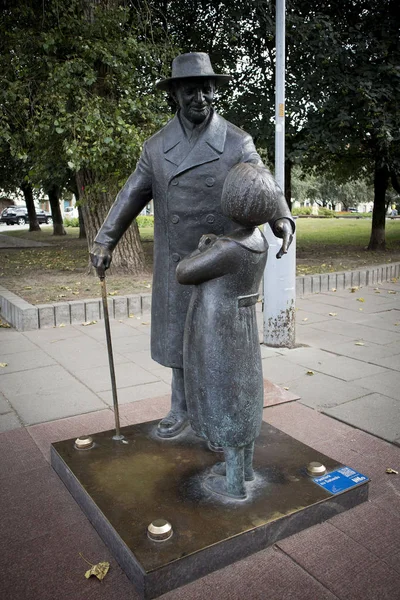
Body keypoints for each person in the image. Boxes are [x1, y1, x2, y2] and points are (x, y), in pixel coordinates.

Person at [90, 52, 294, 439]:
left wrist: (280, 216)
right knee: (177, 341)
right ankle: (180, 407)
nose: (199, 97)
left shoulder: (236, 141)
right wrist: (104, 240)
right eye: (190, 90)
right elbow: (131, 194)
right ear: (176, 94)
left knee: (220, 344)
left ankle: (223, 409)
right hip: (176, 260)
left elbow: (260, 179)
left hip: (219, 260)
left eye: (205, 89)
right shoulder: (156, 147)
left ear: (214, 90)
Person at [176, 163, 283, 499]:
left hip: (217, 328)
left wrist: (202, 249)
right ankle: (245, 468)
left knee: (225, 395)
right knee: (243, 393)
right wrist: (213, 244)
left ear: (230, 201)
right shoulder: (258, 240)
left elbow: (184, 272)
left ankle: (234, 484)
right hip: (242, 328)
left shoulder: (226, 249)